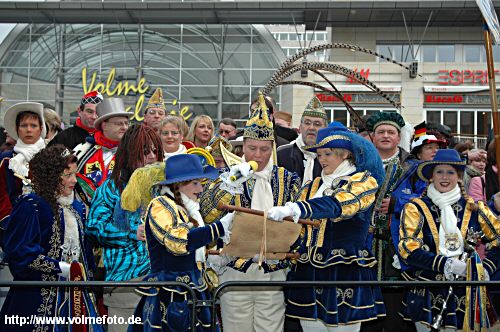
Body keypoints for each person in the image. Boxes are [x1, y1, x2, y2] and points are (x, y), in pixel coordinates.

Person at [267, 122, 386, 331]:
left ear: (345, 155)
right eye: (319, 155)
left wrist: (295, 209)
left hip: (343, 271)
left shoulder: (362, 182)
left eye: (327, 154)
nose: (321, 160)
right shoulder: (313, 186)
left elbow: (339, 205)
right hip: (308, 272)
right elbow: (295, 229)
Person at [200, 94, 301, 332]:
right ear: (242, 146)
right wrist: (232, 181)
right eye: (252, 148)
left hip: (274, 270)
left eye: (264, 149)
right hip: (235, 270)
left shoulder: (289, 180)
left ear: (272, 148)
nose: (258, 154)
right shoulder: (227, 177)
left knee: (271, 328)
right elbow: (207, 214)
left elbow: (300, 223)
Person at [0, 145, 103, 332]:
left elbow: (84, 252)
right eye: (67, 175)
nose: (74, 180)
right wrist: (60, 268)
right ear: (51, 175)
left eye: (75, 174)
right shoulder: (32, 206)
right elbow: (20, 253)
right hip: (38, 295)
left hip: (78, 296)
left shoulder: (77, 208)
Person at [398, 149, 500, 331]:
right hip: (427, 290)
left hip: (465, 291)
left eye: (450, 172)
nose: (445, 177)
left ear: (459, 176)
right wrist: (447, 265)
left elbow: (498, 240)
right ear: (431, 176)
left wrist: (485, 269)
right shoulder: (415, 208)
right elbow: (408, 249)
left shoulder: (475, 209)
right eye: (439, 172)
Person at [128, 154, 232, 332]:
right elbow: (178, 242)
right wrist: (218, 228)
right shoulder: (161, 205)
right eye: (195, 183)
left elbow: (196, 252)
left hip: (193, 289)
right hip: (169, 295)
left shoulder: (189, 208)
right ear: (178, 184)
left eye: (201, 182)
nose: (201, 188)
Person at [86, 124, 163, 332]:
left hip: (163, 283)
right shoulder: (111, 187)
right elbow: (94, 228)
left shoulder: (164, 187)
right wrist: (131, 233)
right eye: (145, 151)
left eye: (155, 150)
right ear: (130, 152)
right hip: (125, 284)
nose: (151, 156)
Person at [362, 111, 415, 332]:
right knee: (366, 310)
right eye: (381, 132)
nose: (385, 135)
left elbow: (423, 199)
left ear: (398, 137)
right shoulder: (359, 164)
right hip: (364, 245)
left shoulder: (411, 167)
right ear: (372, 137)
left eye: (391, 132)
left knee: (395, 311)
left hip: (395, 245)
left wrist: (397, 204)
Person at [73, 97, 131, 208]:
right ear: (104, 125)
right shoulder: (83, 151)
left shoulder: (132, 152)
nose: (124, 127)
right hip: (87, 214)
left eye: (126, 123)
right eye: (119, 124)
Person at [0, 102, 46, 224]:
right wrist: (8, 220)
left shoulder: (50, 157)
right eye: (24, 125)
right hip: (13, 223)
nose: (29, 130)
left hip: (45, 222)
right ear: (16, 129)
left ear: (41, 129)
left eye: (33, 125)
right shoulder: (7, 159)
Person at [277, 96, 327, 185]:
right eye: (307, 123)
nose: (311, 128)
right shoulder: (282, 154)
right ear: (300, 127)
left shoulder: (331, 157)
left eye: (317, 124)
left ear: (325, 128)